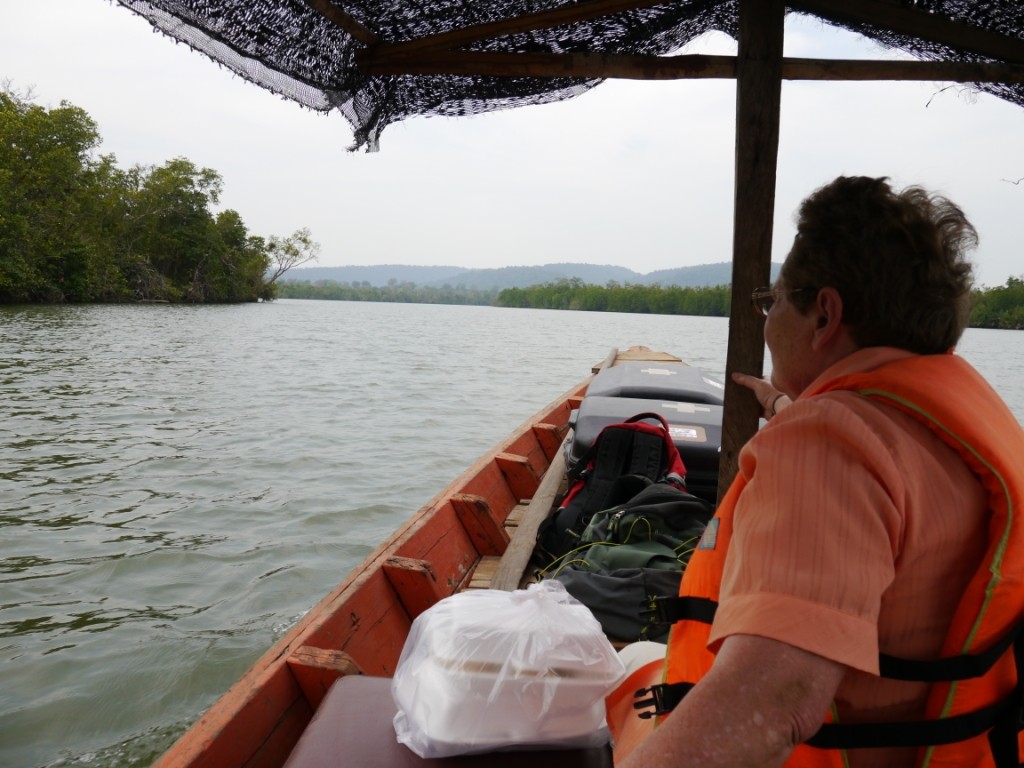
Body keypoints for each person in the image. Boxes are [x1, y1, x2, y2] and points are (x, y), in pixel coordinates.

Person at [608, 175, 1024, 768]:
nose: (767, 318)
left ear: (824, 314)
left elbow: (776, 703)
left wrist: (796, 421)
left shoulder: (825, 447)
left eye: (772, 300)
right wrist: (780, 404)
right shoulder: (957, 425)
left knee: (622, 680)